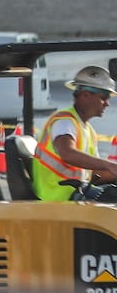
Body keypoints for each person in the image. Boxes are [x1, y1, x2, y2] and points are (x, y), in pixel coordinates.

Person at [32, 65, 117, 202]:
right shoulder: (64, 122)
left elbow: (95, 174)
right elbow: (67, 153)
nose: (107, 104)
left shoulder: (88, 130)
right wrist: (109, 165)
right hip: (57, 199)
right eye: (103, 98)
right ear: (85, 95)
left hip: (76, 195)